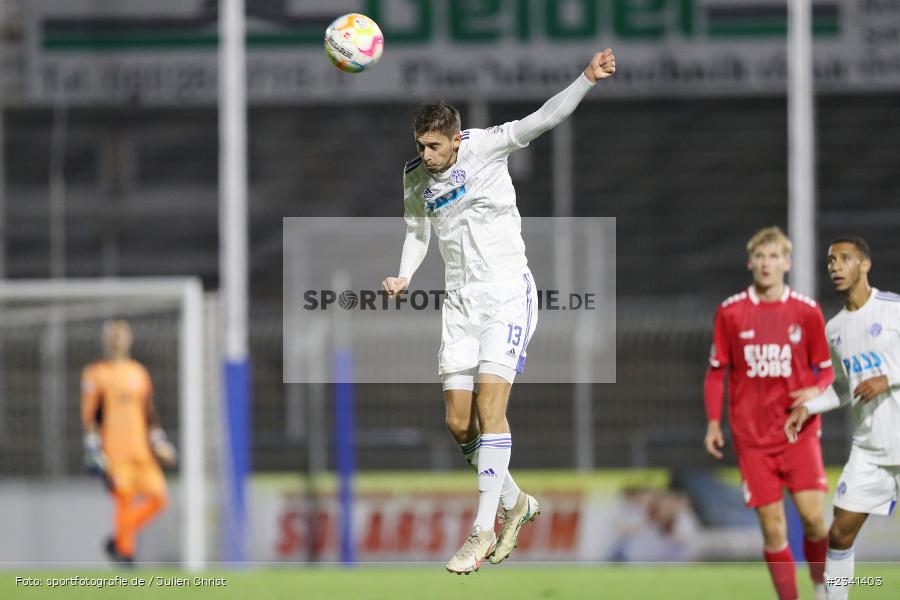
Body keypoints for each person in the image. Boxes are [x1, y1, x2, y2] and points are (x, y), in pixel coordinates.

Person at [381, 49, 616, 574]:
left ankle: (481, 529)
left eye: (435, 146)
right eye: (420, 145)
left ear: (456, 139)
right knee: (458, 423)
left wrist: (585, 79)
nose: (427, 154)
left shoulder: (487, 147)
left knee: (491, 410)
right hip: (460, 304)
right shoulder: (416, 176)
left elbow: (545, 117)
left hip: (507, 293)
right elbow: (418, 230)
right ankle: (517, 504)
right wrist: (405, 274)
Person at [703, 226, 834, 600]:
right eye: (760, 256)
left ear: (787, 263)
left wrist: (817, 388)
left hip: (799, 432)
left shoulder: (806, 312)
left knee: (813, 520)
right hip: (753, 439)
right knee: (773, 528)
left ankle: (824, 590)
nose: (767, 263)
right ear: (751, 262)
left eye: (774, 256)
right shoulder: (731, 312)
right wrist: (714, 422)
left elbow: (826, 369)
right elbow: (716, 372)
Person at [785, 236, 900, 600]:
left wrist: (889, 378)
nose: (834, 266)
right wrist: (808, 407)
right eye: (831, 260)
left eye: (844, 259)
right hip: (870, 452)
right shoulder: (833, 329)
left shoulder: (893, 309)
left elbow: (881, 378)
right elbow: (842, 387)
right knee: (839, 534)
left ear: (865, 265)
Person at [81, 320, 177, 565]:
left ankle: (119, 540)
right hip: (114, 451)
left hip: (141, 450)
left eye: (120, 335)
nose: (116, 339)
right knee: (124, 501)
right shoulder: (96, 373)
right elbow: (91, 414)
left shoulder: (139, 373)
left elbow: (149, 413)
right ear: (105, 340)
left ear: (129, 339)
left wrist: (159, 442)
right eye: (112, 335)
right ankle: (125, 555)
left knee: (159, 499)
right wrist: (92, 446)